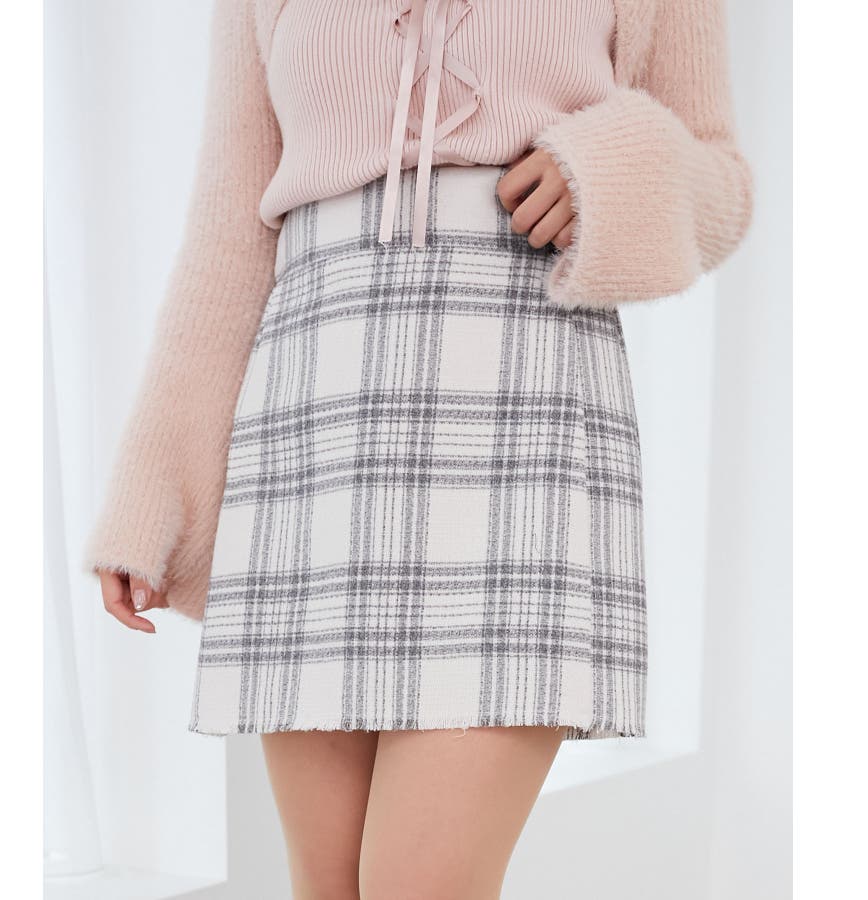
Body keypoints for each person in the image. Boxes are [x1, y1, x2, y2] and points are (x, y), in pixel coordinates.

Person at [83, 0, 752, 896]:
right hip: (312, 415)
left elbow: (722, 181)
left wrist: (607, 166)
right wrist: (150, 489)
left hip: (520, 400)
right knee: (328, 885)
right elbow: (226, 234)